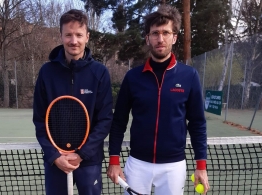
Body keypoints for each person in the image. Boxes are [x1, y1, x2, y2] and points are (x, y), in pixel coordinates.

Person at [107, 4, 210, 195]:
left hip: (174, 167)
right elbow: (119, 121)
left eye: (166, 32)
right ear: (147, 38)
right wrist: (114, 160)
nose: (160, 39)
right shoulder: (133, 77)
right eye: (155, 33)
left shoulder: (190, 76)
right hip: (137, 164)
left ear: (175, 37)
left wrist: (201, 166)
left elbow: (197, 124)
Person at [33, 9, 113, 195]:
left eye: (79, 35)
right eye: (68, 35)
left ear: (87, 37)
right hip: (56, 162)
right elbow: (39, 120)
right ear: (61, 36)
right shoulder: (47, 72)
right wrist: (54, 156)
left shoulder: (99, 72)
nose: (73, 41)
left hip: (89, 161)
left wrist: (81, 154)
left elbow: (105, 120)